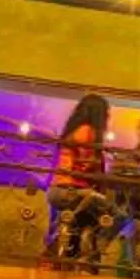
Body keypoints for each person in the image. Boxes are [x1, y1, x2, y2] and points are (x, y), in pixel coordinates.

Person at [49, 92, 114, 266]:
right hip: (72, 190)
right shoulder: (87, 132)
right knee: (117, 214)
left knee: (85, 217)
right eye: (106, 114)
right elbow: (86, 167)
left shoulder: (72, 130)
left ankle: (70, 254)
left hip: (58, 190)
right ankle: (92, 256)